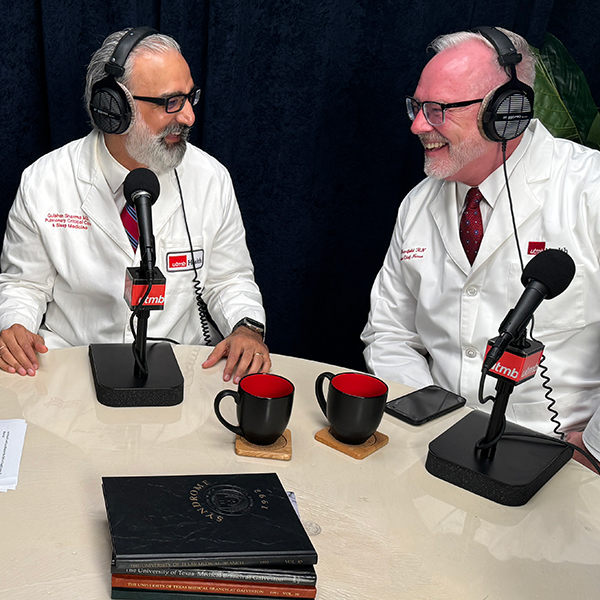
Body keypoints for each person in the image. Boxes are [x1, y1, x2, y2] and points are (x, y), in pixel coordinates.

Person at [361, 26, 600, 469]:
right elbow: (390, 333)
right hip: (435, 447)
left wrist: (595, 449)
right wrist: (432, 420)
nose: (416, 125)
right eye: (417, 106)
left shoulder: (590, 190)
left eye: (437, 110)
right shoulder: (417, 204)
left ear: (507, 112)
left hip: (560, 460)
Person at [0, 27, 270, 384]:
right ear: (112, 108)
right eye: (171, 102)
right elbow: (25, 284)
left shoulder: (210, 178)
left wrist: (247, 328)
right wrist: (14, 325)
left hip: (179, 365)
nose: (188, 117)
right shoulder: (44, 181)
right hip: (71, 367)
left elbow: (229, 279)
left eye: (190, 97)